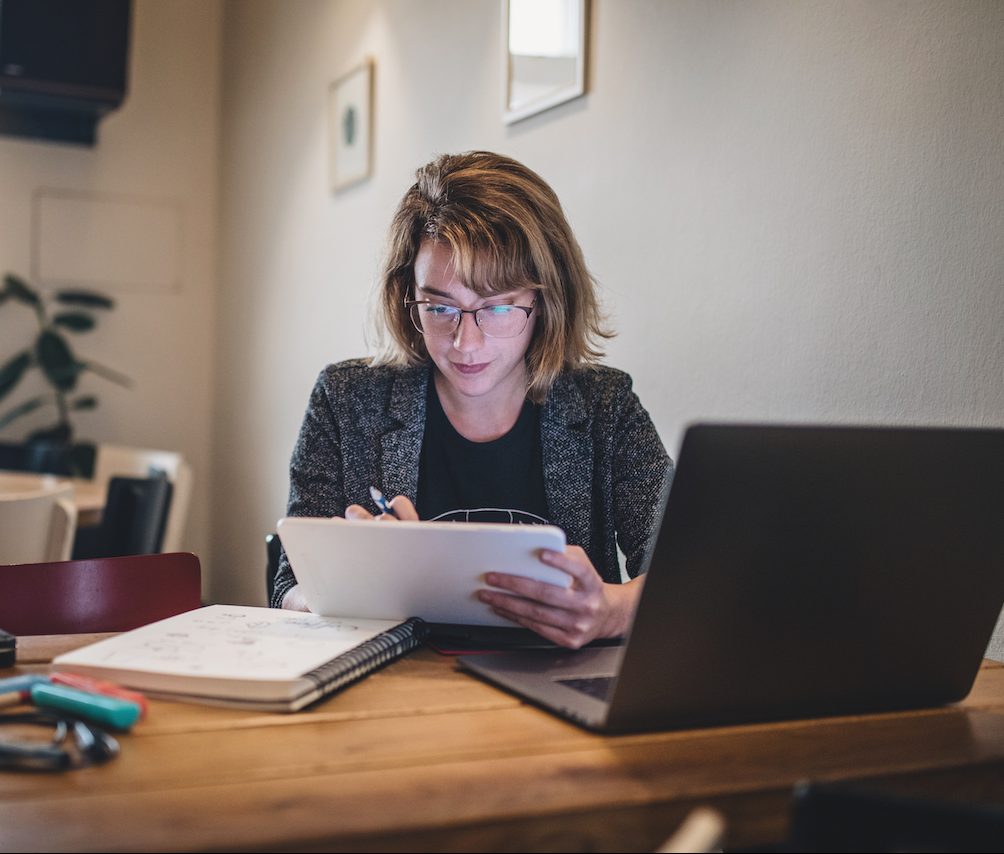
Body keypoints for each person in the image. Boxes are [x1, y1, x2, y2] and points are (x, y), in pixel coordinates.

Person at [271, 151, 672, 649]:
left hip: (559, 689)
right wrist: (356, 585)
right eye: (440, 307)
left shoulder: (604, 408)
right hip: (397, 693)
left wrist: (611, 612)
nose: (465, 342)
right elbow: (287, 588)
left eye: (497, 307)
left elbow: (691, 576)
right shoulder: (348, 400)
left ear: (545, 300)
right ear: (407, 294)